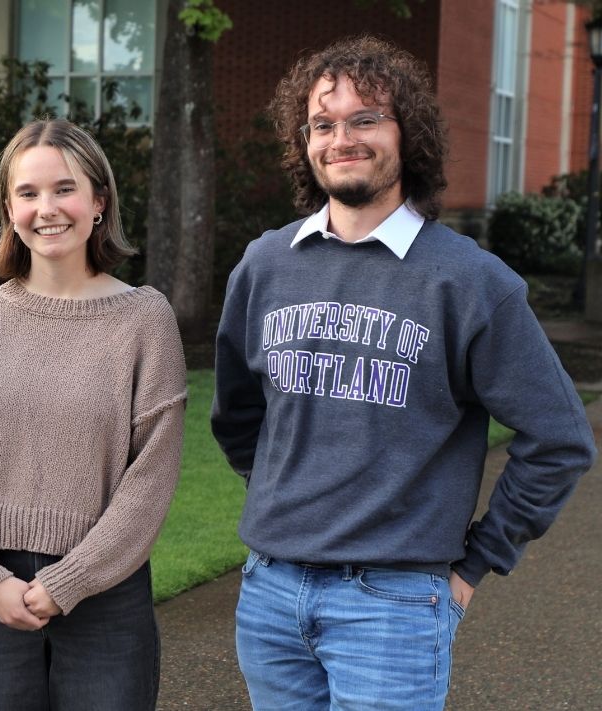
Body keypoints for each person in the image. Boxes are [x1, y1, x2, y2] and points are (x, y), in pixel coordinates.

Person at [212, 35, 597, 710]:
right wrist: (293, 490)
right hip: (270, 594)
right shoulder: (265, 265)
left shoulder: (470, 282)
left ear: (407, 133)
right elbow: (237, 415)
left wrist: (474, 565)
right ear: (303, 140)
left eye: (366, 119)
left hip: (391, 606)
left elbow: (560, 438)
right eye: (323, 124)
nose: (343, 138)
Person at [0, 118, 187, 710]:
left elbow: (150, 478)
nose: (47, 209)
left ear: (99, 201)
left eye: (64, 189)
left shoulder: (145, 321)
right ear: (9, 209)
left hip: (108, 594)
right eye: (28, 193)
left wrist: (69, 581)